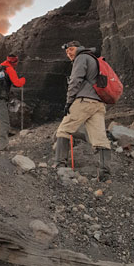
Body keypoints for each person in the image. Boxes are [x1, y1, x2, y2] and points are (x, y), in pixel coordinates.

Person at [54, 41, 111, 180]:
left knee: (63, 130)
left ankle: (60, 166)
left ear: (79, 48)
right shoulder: (94, 59)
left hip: (84, 101)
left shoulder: (81, 57)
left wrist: (69, 102)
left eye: (71, 49)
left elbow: (75, 80)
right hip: (98, 104)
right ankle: (105, 174)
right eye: (67, 52)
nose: (69, 53)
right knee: (100, 139)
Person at [0, 54, 26, 152]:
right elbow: (17, 83)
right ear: (15, 61)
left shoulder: (0, 67)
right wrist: (23, 80)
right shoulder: (9, 69)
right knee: (3, 122)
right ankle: (2, 147)